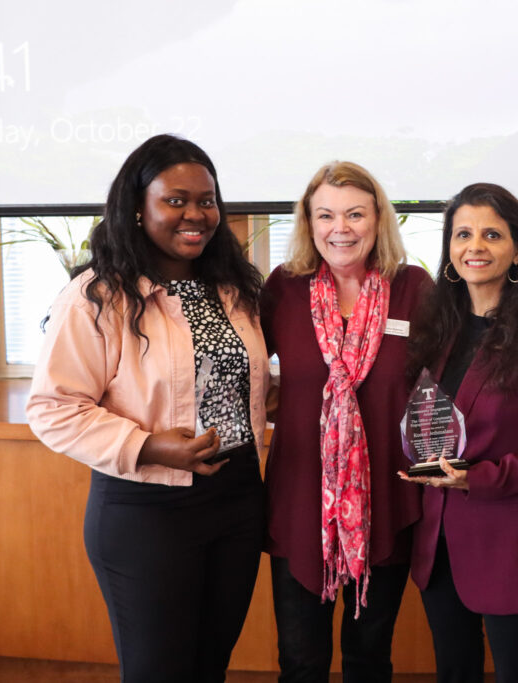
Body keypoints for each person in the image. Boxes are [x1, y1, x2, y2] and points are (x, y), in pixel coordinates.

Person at [25, 134, 269, 683]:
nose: (195, 214)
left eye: (207, 201)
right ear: (137, 208)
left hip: (237, 501)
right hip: (147, 511)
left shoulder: (231, 287)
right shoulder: (97, 295)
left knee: (210, 666)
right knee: (159, 671)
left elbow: (239, 383)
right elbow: (53, 407)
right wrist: (150, 447)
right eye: (175, 199)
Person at [400, 183, 518, 683]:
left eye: (492, 234)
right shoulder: (437, 326)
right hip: (439, 544)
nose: (475, 246)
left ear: (517, 248)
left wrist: (478, 477)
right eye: (463, 234)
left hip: (513, 544)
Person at [260, 161, 432, 682]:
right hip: (300, 500)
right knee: (300, 661)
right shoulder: (283, 290)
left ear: (378, 219)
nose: (341, 228)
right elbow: (241, 369)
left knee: (369, 657)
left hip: (387, 498)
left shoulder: (414, 289)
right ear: (308, 223)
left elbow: (446, 387)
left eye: (356, 214)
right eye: (326, 215)